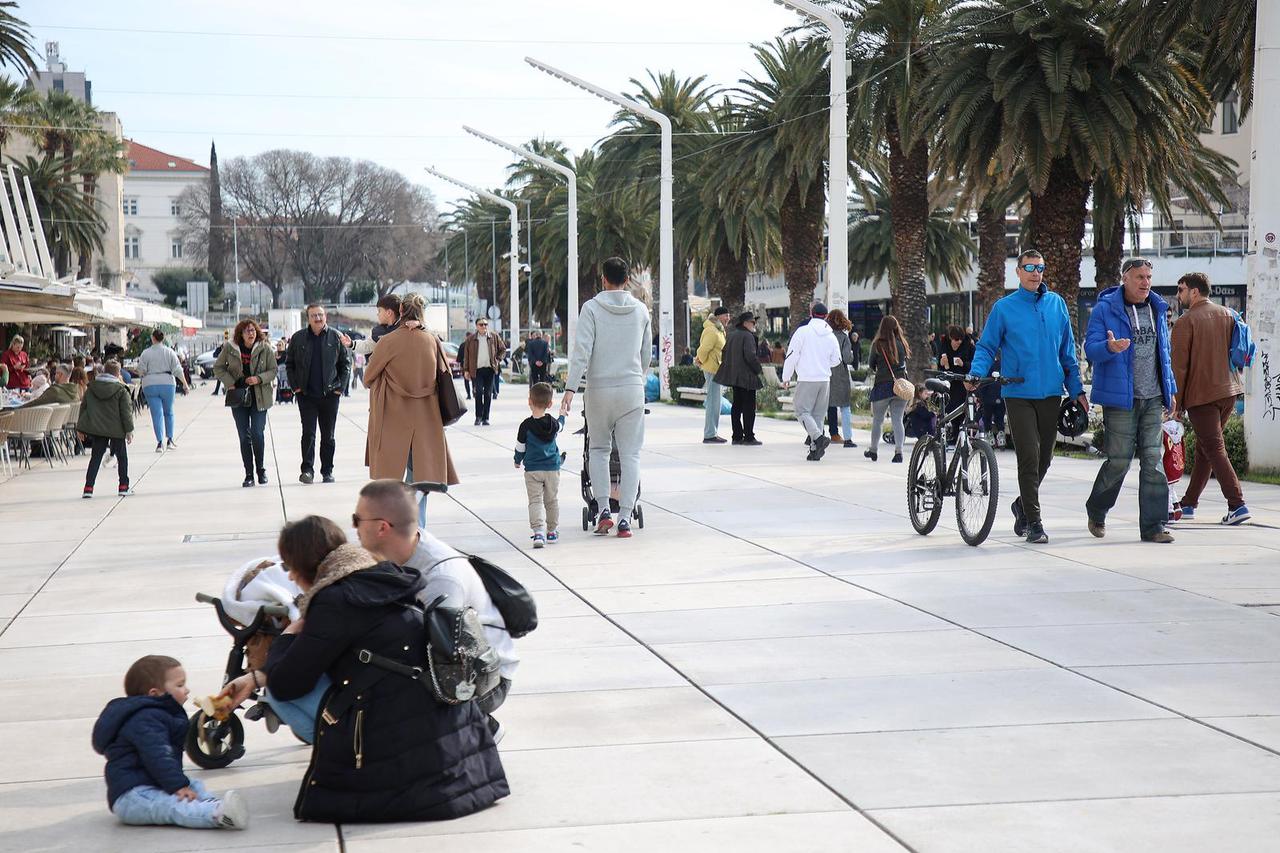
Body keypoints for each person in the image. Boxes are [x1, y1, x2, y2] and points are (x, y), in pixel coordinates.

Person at [218, 515, 508, 822]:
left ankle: (356, 761)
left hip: (414, 769)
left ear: (304, 564)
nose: (289, 577)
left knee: (277, 695)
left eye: (289, 567)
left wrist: (287, 637)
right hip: (456, 759)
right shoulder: (381, 577)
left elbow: (288, 684)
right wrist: (255, 676)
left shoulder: (335, 600)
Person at [354, 481, 520, 738]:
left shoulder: (441, 579)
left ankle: (478, 728)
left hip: (484, 678)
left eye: (357, 520)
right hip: (457, 656)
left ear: (382, 527)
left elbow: (449, 656)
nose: (354, 529)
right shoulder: (404, 547)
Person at [968, 249, 1087, 544]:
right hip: (1017, 392)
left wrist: (1077, 390)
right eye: (1030, 267)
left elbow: (1068, 353)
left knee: (1044, 458)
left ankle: (1021, 505)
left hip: (1050, 394)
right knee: (1029, 457)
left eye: (1041, 267)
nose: (1036, 272)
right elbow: (986, 347)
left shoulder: (1057, 304)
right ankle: (1034, 522)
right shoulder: (1004, 308)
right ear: (1018, 272)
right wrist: (976, 373)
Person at [92, 655, 248, 830]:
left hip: (151, 783)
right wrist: (177, 785)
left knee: (192, 784)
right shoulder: (145, 719)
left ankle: (210, 803)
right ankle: (215, 814)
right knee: (172, 806)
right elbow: (158, 754)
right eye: (180, 685)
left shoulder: (157, 713)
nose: (187, 690)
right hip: (133, 795)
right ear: (155, 693)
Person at [1084, 258, 1177, 543]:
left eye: (1148, 276)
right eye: (1139, 277)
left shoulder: (1158, 308)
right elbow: (1091, 349)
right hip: (1120, 399)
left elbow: (1164, 353)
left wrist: (1170, 389)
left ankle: (1154, 526)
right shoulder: (1105, 309)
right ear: (1125, 278)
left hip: (1153, 397)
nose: (1145, 282)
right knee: (1119, 461)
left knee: (1153, 459)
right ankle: (1097, 509)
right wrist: (1109, 347)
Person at [561, 256, 651, 538]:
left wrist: (570, 389)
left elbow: (581, 352)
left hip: (598, 390)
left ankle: (602, 510)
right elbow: (646, 354)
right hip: (631, 389)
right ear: (627, 280)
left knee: (599, 450)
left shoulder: (591, 309)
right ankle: (625, 516)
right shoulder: (641, 311)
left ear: (603, 279)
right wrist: (638, 378)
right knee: (630, 455)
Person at [363, 294, 459, 521]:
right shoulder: (431, 340)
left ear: (400, 310)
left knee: (392, 481)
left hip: (393, 419)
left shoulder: (388, 342)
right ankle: (418, 528)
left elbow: (368, 377)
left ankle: (397, 526)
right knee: (420, 480)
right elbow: (443, 374)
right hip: (426, 420)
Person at [1171, 271, 1250, 524]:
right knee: (1207, 449)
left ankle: (1237, 504)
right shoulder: (1228, 314)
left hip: (1202, 396)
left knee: (1214, 448)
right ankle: (1189, 503)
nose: (1178, 295)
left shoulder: (1186, 321)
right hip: (1229, 391)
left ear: (1194, 291)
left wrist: (1176, 403)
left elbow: (1179, 368)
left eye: (1181, 289)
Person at [285, 304, 351, 484]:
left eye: (320, 315)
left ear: (325, 316)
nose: (318, 318)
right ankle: (307, 470)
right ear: (308, 318)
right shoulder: (298, 338)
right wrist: (296, 388)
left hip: (330, 395)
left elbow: (345, 365)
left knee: (328, 436)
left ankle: (327, 471)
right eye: (313, 315)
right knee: (308, 434)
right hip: (306, 396)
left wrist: (340, 389)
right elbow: (289, 364)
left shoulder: (335, 337)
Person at [213, 319, 277, 488]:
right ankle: (249, 474)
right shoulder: (230, 348)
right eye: (247, 331)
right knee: (244, 436)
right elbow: (218, 367)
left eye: (253, 330)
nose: (251, 333)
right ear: (240, 334)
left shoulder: (265, 348)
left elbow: (273, 370)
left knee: (257, 433)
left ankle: (261, 469)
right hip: (238, 397)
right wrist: (230, 383)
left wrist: (259, 378)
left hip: (260, 396)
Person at [782, 302, 843, 461]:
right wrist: (823, 365)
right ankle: (815, 451)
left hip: (807, 378)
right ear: (826, 316)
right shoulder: (831, 335)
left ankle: (818, 437)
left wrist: (786, 377)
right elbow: (837, 360)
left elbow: (792, 355)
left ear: (811, 313)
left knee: (801, 411)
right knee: (818, 415)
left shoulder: (803, 331)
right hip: (825, 379)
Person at [515, 382, 565, 548]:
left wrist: (517, 460)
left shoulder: (525, 426)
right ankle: (552, 531)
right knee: (551, 500)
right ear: (550, 404)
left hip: (533, 470)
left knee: (535, 501)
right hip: (552, 468)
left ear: (529, 401)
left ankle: (538, 533)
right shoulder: (553, 424)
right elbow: (561, 426)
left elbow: (520, 447)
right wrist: (562, 415)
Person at [76, 360, 134, 498]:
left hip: (98, 429)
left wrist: (80, 428)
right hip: (117, 429)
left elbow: (83, 408)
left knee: (95, 458)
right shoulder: (121, 390)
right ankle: (123, 486)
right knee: (122, 458)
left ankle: (88, 488)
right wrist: (129, 430)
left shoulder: (92, 388)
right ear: (118, 373)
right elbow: (126, 412)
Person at [865, 315, 910, 463]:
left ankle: (873, 450)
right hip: (900, 387)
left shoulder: (877, 344)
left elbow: (871, 364)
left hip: (883, 386)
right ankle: (899, 452)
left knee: (878, 420)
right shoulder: (902, 344)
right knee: (898, 420)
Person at [715, 311, 764, 446]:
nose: (754, 325)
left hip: (735, 377)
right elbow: (750, 356)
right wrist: (758, 369)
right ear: (745, 323)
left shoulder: (731, 335)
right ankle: (748, 436)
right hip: (746, 378)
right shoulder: (747, 336)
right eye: (753, 322)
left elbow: (724, 353)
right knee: (749, 407)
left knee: (736, 406)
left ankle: (737, 436)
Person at [137, 329, 188, 452]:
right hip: (167, 383)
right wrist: (185, 384)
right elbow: (177, 369)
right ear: (163, 338)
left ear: (153, 338)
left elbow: (141, 370)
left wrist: (142, 374)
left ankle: (159, 442)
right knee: (169, 412)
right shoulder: (169, 352)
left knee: (156, 414)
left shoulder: (146, 353)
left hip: (150, 384)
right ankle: (170, 439)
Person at [696, 306, 731, 444]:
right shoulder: (712, 330)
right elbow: (703, 349)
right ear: (718, 317)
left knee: (715, 403)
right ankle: (710, 434)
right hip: (712, 370)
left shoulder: (719, 329)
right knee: (713, 402)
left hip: (717, 369)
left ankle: (712, 433)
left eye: (729, 315)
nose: (728, 318)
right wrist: (700, 361)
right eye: (725, 315)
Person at [461, 317, 506, 426]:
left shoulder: (494, 337)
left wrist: (498, 360)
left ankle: (486, 418)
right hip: (476, 371)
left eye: (485, 324)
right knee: (478, 392)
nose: (484, 326)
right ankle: (478, 417)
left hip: (490, 369)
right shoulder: (470, 339)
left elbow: (503, 349)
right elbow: (466, 356)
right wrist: (466, 370)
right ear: (476, 326)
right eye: (481, 324)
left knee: (487, 394)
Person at [825, 308, 858, 448]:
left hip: (826, 374)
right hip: (840, 375)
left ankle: (833, 434)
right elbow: (847, 358)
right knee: (845, 407)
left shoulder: (825, 336)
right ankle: (848, 438)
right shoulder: (843, 338)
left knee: (829, 405)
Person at [938, 324, 976, 443]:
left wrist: (963, 364)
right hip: (950, 381)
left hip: (962, 381)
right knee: (950, 407)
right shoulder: (945, 345)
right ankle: (953, 434)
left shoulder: (968, 345)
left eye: (960, 340)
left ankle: (961, 434)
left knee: (961, 407)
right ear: (950, 338)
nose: (957, 342)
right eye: (955, 340)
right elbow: (940, 363)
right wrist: (942, 362)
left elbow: (974, 364)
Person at [210, 330, 230, 396]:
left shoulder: (229, 348)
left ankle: (225, 390)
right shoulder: (220, 349)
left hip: (228, 366)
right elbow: (214, 355)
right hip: (222, 366)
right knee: (219, 379)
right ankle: (217, 391)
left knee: (227, 379)